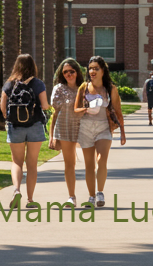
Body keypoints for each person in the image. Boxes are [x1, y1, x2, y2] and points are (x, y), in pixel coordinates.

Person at [75, 55, 126, 208]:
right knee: (89, 165)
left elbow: (118, 110)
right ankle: (91, 196)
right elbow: (75, 110)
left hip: (104, 127)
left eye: (96, 68)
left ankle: (100, 192)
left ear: (103, 70)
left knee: (101, 160)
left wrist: (123, 132)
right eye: (90, 68)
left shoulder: (111, 88)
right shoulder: (83, 87)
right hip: (85, 128)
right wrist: (86, 109)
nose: (92, 71)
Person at [1, 53, 51, 210]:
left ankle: (16, 190)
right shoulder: (38, 84)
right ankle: (30, 200)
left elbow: (3, 108)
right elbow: (44, 106)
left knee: (17, 161)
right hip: (35, 125)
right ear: (33, 66)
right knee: (32, 164)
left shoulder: (9, 84)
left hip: (15, 126)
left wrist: (10, 117)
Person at [48, 58, 85, 206]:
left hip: (84, 129)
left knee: (92, 163)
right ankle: (72, 197)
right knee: (70, 164)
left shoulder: (85, 88)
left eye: (71, 71)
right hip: (65, 129)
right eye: (65, 72)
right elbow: (54, 114)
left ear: (77, 72)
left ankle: (93, 195)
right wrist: (51, 136)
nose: (69, 74)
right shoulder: (59, 89)